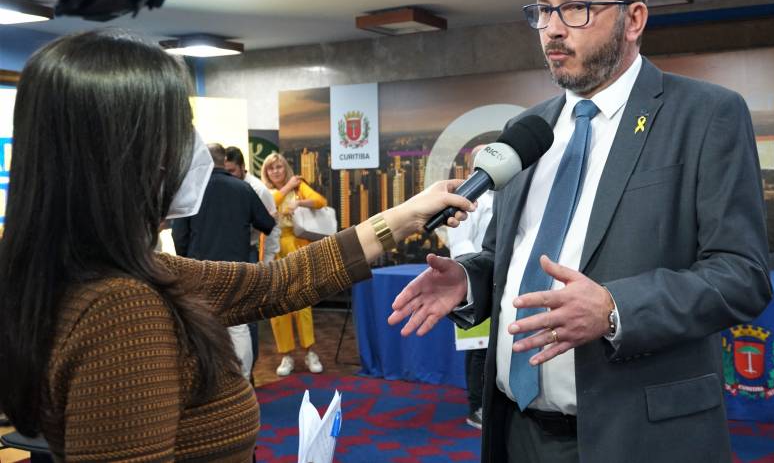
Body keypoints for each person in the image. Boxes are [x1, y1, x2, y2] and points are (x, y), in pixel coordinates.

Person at [0, 28, 474, 461]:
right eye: (176, 128)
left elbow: (277, 283)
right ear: (126, 155)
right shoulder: (121, 310)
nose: (191, 149)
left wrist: (406, 215)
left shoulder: (113, 275)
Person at [389, 0, 771, 463]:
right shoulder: (527, 129)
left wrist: (615, 309)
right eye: (543, 11)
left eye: (577, 9)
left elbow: (742, 275)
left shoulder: (706, 115)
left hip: (639, 437)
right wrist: (471, 281)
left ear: (634, 19)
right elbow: (507, 255)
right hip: (515, 429)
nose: (552, 29)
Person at [171, 142, 277, 380]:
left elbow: (179, 234)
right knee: (238, 326)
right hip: (237, 269)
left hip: (199, 270)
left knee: (203, 327)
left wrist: (186, 260)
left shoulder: (191, 191)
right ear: (223, 160)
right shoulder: (242, 189)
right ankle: (244, 382)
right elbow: (267, 225)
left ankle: (210, 384)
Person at [260, 152, 331, 376]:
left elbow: (321, 202)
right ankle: (286, 355)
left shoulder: (298, 186)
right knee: (277, 304)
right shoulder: (263, 191)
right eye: (271, 168)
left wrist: (299, 200)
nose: (276, 172)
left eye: (279, 167)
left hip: (296, 246)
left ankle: (310, 352)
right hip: (272, 250)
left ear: (285, 168)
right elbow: (268, 205)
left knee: (303, 302)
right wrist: (286, 188)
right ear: (266, 172)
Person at [447, 145, 495, 430]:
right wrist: (476, 276)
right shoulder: (466, 196)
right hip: (476, 280)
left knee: (496, 347)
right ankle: (476, 407)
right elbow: (460, 244)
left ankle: (492, 402)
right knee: (478, 349)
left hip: (503, 280)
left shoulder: (505, 193)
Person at [225, 144, 281, 371]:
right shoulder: (229, 188)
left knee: (249, 315)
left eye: (231, 171)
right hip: (232, 253)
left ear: (242, 168)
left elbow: (272, 227)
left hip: (251, 254)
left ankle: (252, 369)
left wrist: (265, 262)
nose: (227, 175)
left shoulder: (257, 190)